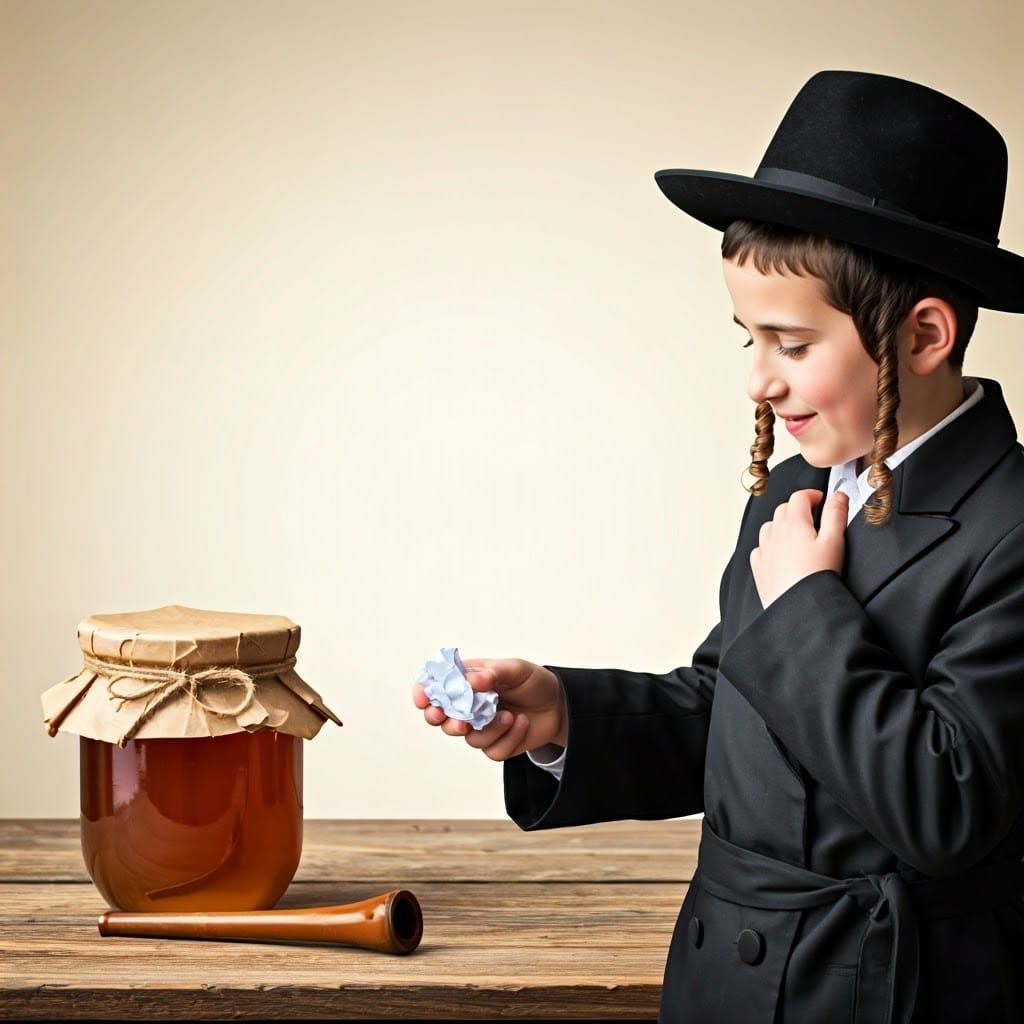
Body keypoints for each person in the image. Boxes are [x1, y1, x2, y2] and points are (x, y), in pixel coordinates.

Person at [411, 69, 1024, 1023]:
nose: (759, 382)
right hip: (723, 981)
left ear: (925, 336)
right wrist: (566, 716)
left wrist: (808, 606)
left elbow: (946, 805)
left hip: (890, 992)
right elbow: (731, 713)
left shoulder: (1009, 527)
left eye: (791, 343)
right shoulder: (796, 489)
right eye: (748, 340)